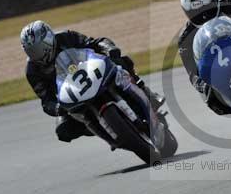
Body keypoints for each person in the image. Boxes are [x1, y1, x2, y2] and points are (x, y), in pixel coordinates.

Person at [20, 20, 164, 142]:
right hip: (71, 97)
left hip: (92, 73)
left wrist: (109, 49)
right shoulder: (32, 71)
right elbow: (46, 100)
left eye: (38, 49)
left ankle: (144, 90)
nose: (36, 55)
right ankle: (102, 129)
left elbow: (94, 43)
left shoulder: (66, 37)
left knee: (120, 60)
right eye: (31, 52)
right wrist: (58, 108)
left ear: (48, 40)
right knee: (63, 130)